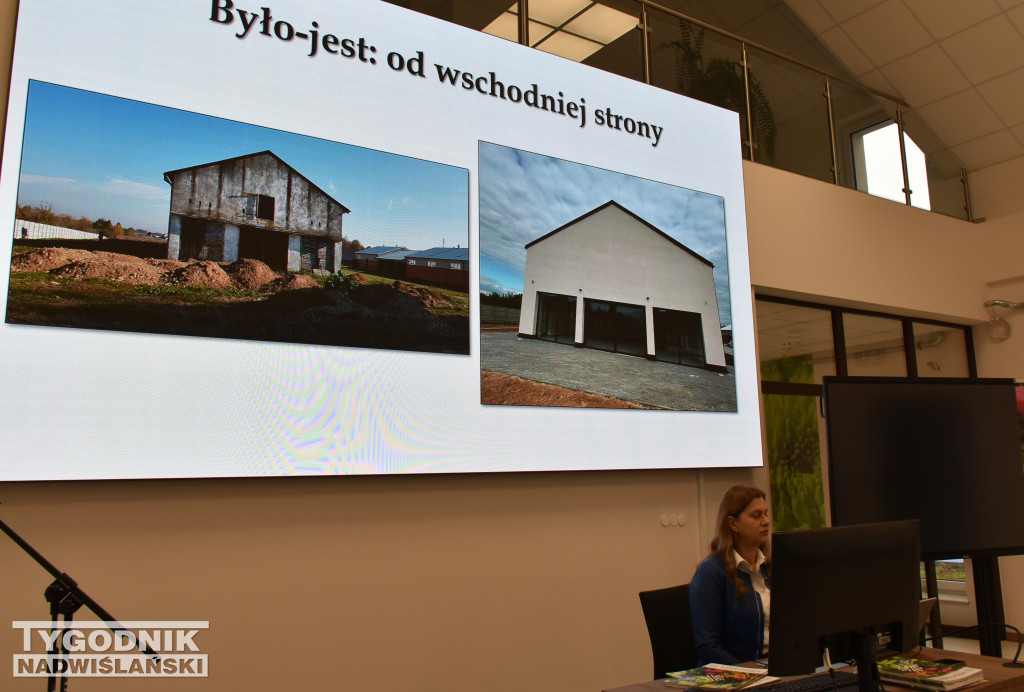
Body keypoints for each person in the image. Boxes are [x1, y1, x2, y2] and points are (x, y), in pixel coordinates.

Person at [689, 485, 771, 665]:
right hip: (733, 676)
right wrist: (751, 671)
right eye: (756, 516)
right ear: (733, 523)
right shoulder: (711, 572)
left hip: (771, 671)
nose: (765, 521)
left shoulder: (770, 567)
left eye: (766, 514)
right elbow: (708, 648)